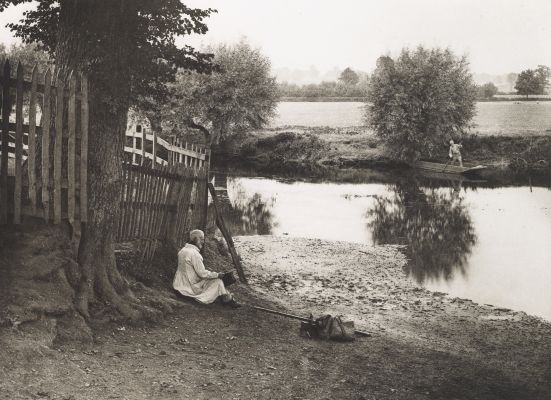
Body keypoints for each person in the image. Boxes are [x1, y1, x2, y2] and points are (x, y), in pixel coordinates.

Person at [173, 229, 240, 308]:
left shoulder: (182, 250)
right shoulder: (194, 254)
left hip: (179, 285)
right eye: (201, 239)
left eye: (203, 239)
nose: (203, 241)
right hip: (190, 287)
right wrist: (218, 275)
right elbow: (202, 274)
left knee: (213, 280)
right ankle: (226, 299)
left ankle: (226, 296)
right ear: (195, 239)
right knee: (218, 281)